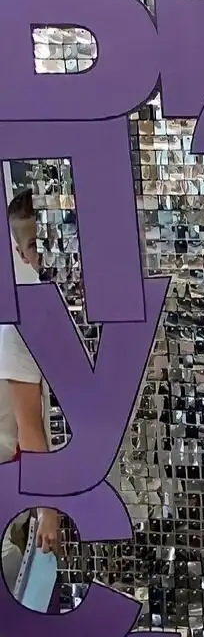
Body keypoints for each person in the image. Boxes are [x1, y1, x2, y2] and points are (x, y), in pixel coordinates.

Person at [0, 190, 58, 592]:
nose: (47, 253)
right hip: (21, 486)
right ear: (21, 254)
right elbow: (30, 430)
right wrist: (48, 511)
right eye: (36, 245)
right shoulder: (20, 328)